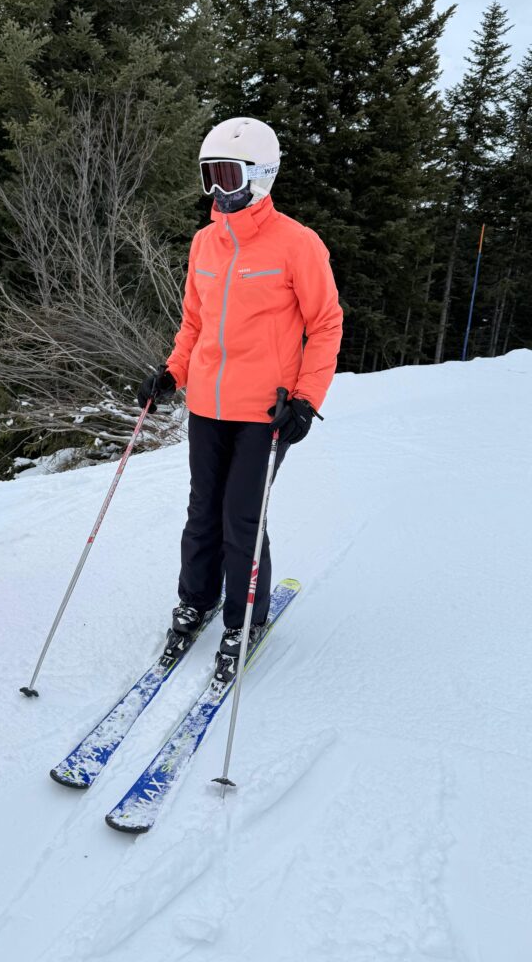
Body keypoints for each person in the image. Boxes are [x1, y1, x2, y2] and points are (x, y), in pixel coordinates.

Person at [137, 116, 343, 681]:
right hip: (207, 405)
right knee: (202, 510)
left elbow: (326, 324)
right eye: (211, 176)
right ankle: (196, 599)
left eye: (229, 176)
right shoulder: (204, 243)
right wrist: (171, 373)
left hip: (266, 410)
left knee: (241, 517)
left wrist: (305, 399)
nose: (218, 191)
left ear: (261, 176)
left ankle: (244, 616)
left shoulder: (297, 244)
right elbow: (194, 322)